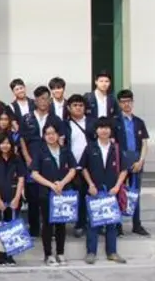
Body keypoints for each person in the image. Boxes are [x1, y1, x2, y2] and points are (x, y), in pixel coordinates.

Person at [80, 117, 128, 264]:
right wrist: (90, 185)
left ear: (110, 130)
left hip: (111, 191)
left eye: (107, 127)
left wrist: (117, 187)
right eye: (101, 128)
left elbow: (124, 170)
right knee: (93, 223)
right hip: (95, 191)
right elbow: (83, 168)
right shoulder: (90, 147)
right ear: (96, 131)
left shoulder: (116, 148)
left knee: (112, 223)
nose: (104, 130)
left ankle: (112, 252)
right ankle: (91, 252)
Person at [30, 122, 77, 266]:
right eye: (47, 134)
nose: (50, 136)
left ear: (58, 135)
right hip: (46, 193)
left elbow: (73, 169)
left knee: (61, 224)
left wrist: (62, 183)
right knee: (48, 224)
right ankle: (48, 254)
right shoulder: (40, 151)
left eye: (53, 133)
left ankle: (60, 253)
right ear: (44, 136)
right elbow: (34, 174)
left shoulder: (65, 150)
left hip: (63, 193)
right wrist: (51, 185)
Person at [21, 85, 64, 237]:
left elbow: (62, 139)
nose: (42, 101)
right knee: (32, 197)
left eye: (45, 98)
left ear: (50, 100)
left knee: (49, 196)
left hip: (50, 161)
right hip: (32, 160)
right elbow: (22, 140)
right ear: (35, 100)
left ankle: (50, 229)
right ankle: (34, 230)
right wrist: (27, 158)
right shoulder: (27, 118)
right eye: (39, 98)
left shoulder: (55, 119)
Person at [114, 89, 150, 236]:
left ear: (132, 102)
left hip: (136, 162)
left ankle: (137, 224)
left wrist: (141, 161)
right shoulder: (115, 121)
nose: (126, 104)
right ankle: (118, 225)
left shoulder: (138, 122)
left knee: (135, 193)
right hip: (120, 163)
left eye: (129, 101)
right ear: (119, 103)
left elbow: (145, 143)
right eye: (123, 102)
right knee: (118, 193)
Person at [0, 134, 26, 266]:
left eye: (8, 143)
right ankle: (0, 255)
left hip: (13, 198)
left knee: (12, 227)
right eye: (2, 143)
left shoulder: (17, 159)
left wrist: (17, 198)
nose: (5, 146)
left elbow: (21, 179)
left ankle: (10, 254)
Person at [64, 94, 95, 237]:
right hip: (72, 165)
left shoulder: (92, 122)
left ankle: (93, 223)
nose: (78, 108)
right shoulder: (64, 124)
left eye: (81, 105)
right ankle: (79, 224)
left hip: (90, 165)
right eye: (75, 105)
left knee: (91, 193)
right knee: (78, 195)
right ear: (69, 108)